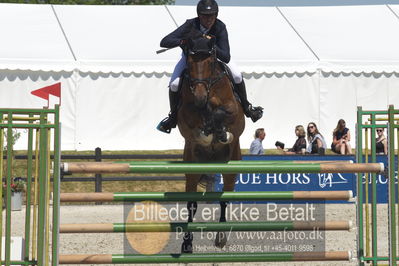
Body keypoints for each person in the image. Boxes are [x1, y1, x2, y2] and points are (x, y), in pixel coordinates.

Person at [156, 0, 263, 134]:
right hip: (191, 58)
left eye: (211, 16)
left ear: (216, 15)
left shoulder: (220, 27)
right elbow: (164, 41)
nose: (208, 19)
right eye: (205, 16)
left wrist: (210, 45)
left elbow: (226, 56)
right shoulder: (190, 25)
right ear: (199, 15)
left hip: (213, 58)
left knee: (236, 75)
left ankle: (247, 107)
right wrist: (183, 41)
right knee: (174, 84)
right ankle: (172, 117)